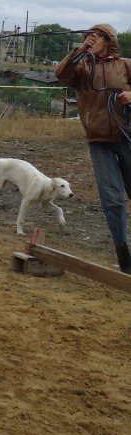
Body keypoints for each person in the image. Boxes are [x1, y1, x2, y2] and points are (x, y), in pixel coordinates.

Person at [55, 25, 131, 273]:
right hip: (99, 141)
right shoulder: (82, 67)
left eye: (96, 36)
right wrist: (81, 49)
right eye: (89, 36)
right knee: (112, 199)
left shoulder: (125, 65)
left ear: (109, 40)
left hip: (127, 136)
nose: (91, 39)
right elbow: (61, 75)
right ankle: (124, 255)